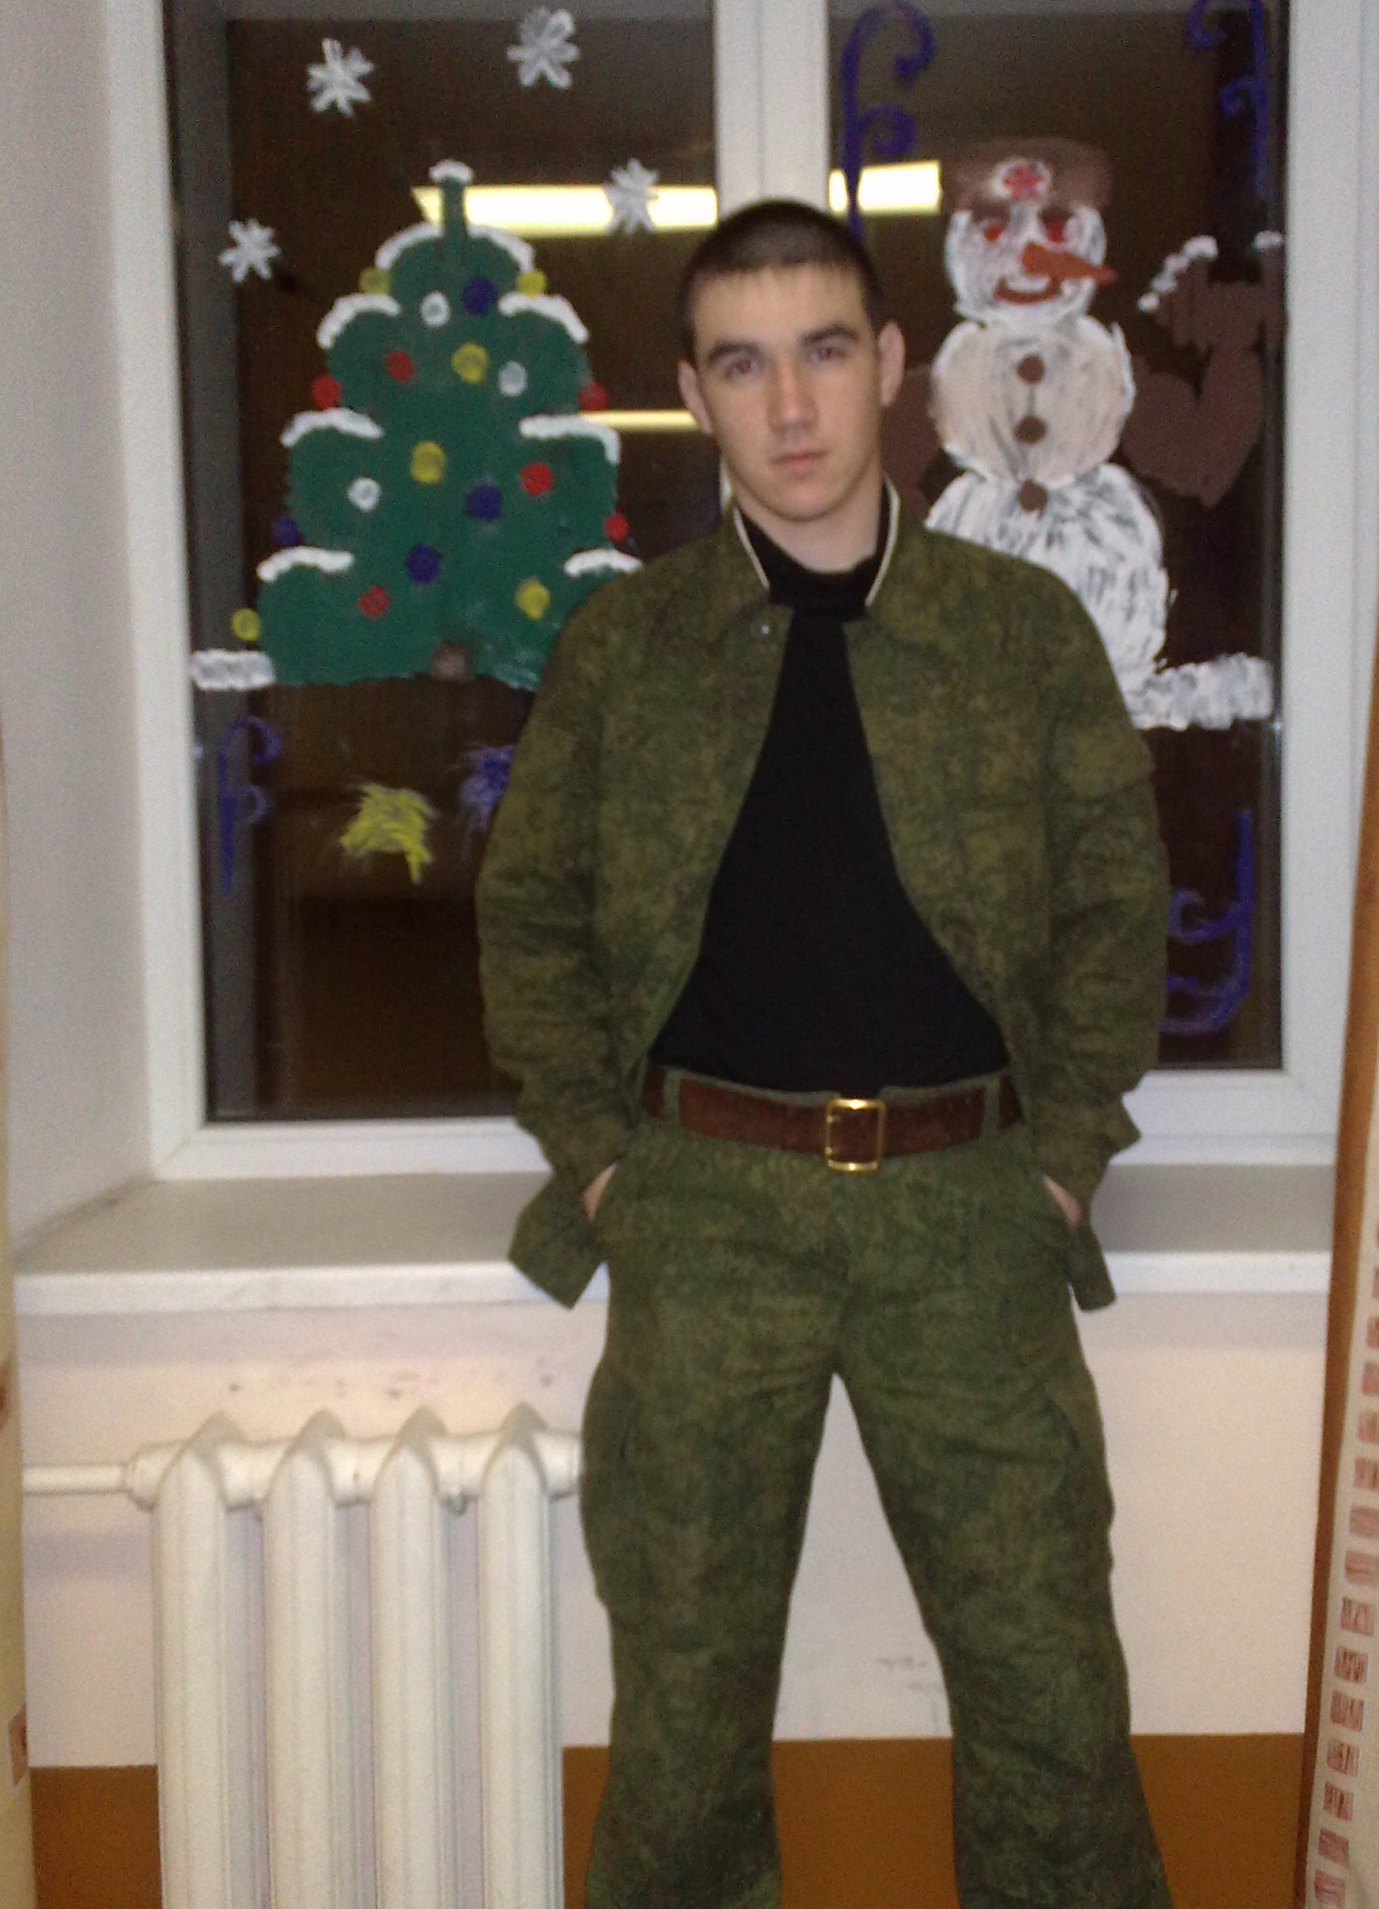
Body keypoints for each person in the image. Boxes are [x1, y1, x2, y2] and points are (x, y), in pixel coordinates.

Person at [476, 199, 1172, 1909]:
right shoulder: (626, 651)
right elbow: (529, 917)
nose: (790, 406)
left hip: (973, 1212)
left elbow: (1116, 909)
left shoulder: (1021, 636)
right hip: (706, 1214)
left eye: (825, 352)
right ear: (693, 393)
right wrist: (603, 1160)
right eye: (743, 364)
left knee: (1051, 1697)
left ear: (893, 367)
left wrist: (1064, 1162)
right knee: (683, 1720)